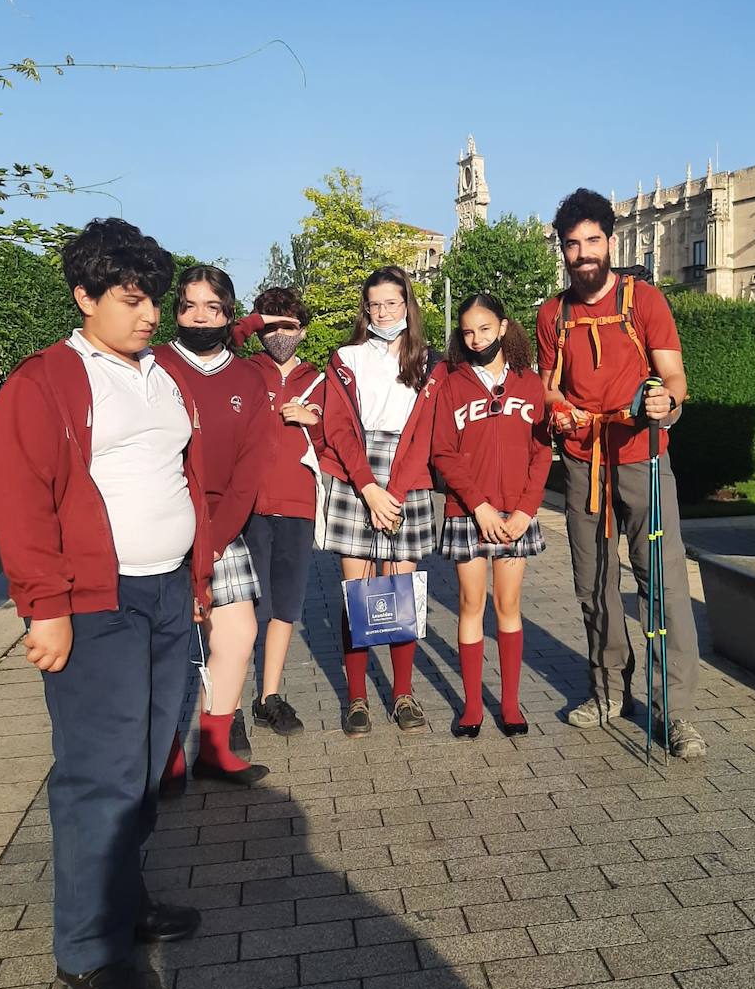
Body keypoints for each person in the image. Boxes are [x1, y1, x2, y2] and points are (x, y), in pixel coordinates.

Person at [0, 218, 212, 989]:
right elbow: (18, 500)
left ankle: (127, 901)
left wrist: (197, 575)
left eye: (153, 296)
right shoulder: (45, 380)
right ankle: (86, 948)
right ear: (84, 296)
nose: (149, 312)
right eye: (129, 298)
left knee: (148, 762)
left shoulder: (161, 374)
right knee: (100, 774)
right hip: (95, 602)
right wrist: (43, 609)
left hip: (163, 593)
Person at [537, 189, 707, 760]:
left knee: (661, 584)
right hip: (584, 464)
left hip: (643, 459)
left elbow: (674, 379)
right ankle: (610, 691)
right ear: (562, 250)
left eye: (591, 241)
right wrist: (558, 408)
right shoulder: (552, 315)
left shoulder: (645, 301)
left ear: (609, 241)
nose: (583, 254)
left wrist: (667, 404)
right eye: (572, 244)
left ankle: (676, 713)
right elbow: (550, 385)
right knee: (594, 584)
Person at [154, 265, 271, 787]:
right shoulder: (153, 365)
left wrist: (218, 539)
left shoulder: (248, 377)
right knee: (168, 641)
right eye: (189, 306)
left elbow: (251, 467)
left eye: (212, 307)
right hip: (162, 522)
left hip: (223, 528)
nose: (199, 316)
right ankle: (163, 754)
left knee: (238, 632)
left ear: (228, 313)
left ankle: (215, 749)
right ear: (176, 311)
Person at [319, 266, 446, 737]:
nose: (383, 312)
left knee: (400, 593)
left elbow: (427, 434)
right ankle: (356, 698)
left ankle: (403, 693)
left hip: (407, 477)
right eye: (374, 304)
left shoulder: (430, 363)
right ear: (365, 308)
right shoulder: (345, 358)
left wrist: (394, 491)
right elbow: (338, 428)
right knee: (358, 596)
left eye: (392, 303)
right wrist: (369, 488)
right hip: (358, 478)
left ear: (407, 305)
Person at [431, 294, 552, 737]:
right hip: (468, 512)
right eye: (467, 331)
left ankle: (512, 704)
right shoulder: (452, 384)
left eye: (484, 328)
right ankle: (472, 706)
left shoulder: (530, 383)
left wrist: (525, 510)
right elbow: (443, 452)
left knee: (508, 605)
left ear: (502, 327)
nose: (476, 337)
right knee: (469, 604)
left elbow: (542, 453)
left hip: (516, 513)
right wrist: (478, 506)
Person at [230, 288, 325, 736]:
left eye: (289, 326)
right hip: (246, 508)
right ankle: (226, 705)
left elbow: (340, 441)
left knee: (284, 606)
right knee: (242, 609)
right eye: (272, 326)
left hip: (297, 506)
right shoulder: (243, 372)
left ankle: (268, 695)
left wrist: (314, 421)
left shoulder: (320, 381)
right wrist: (252, 322)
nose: (281, 335)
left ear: (303, 330)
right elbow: (217, 344)